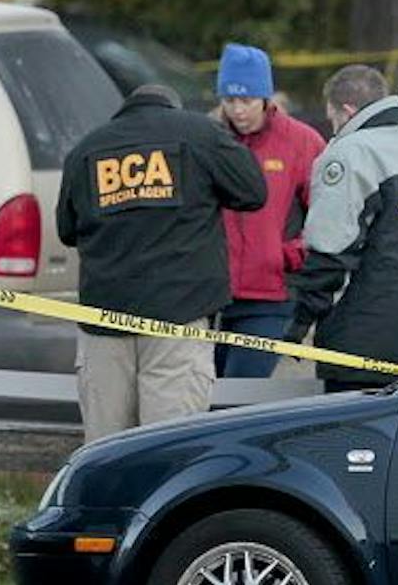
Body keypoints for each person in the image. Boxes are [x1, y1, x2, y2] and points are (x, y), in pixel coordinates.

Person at [55, 83, 267, 443]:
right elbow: (253, 192)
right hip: (178, 321)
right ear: (173, 107)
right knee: (168, 448)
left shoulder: (87, 149)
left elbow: (67, 230)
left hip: (104, 322)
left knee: (106, 449)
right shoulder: (200, 134)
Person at [284, 65, 398, 391]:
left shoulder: (349, 155)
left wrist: (297, 323)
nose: (333, 127)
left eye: (332, 117)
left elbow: (329, 252)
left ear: (347, 111)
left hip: (363, 340)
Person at [209, 44, 324, 377]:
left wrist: (292, 254)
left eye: (247, 101)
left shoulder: (302, 142)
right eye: (229, 101)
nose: (238, 111)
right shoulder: (208, 139)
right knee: (206, 398)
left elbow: (328, 214)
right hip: (211, 296)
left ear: (266, 97)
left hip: (271, 295)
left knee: (238, 396)